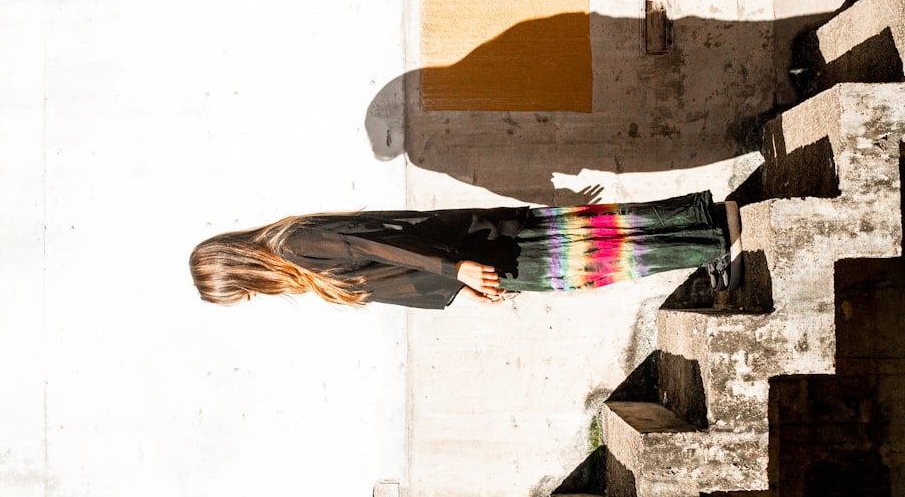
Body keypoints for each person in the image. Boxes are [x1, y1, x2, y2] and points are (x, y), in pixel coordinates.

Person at [189, 191, 742, 310]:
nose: (248, 301)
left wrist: (459, 268)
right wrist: (456, 278)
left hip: (465, 249)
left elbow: (376, 241)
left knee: (585, 258)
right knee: (586, 240)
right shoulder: (293, 249)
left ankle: (710, 238)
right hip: (461, 255)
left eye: (239, 294)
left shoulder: (295, 245)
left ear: (240, 272)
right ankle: (700, 224)